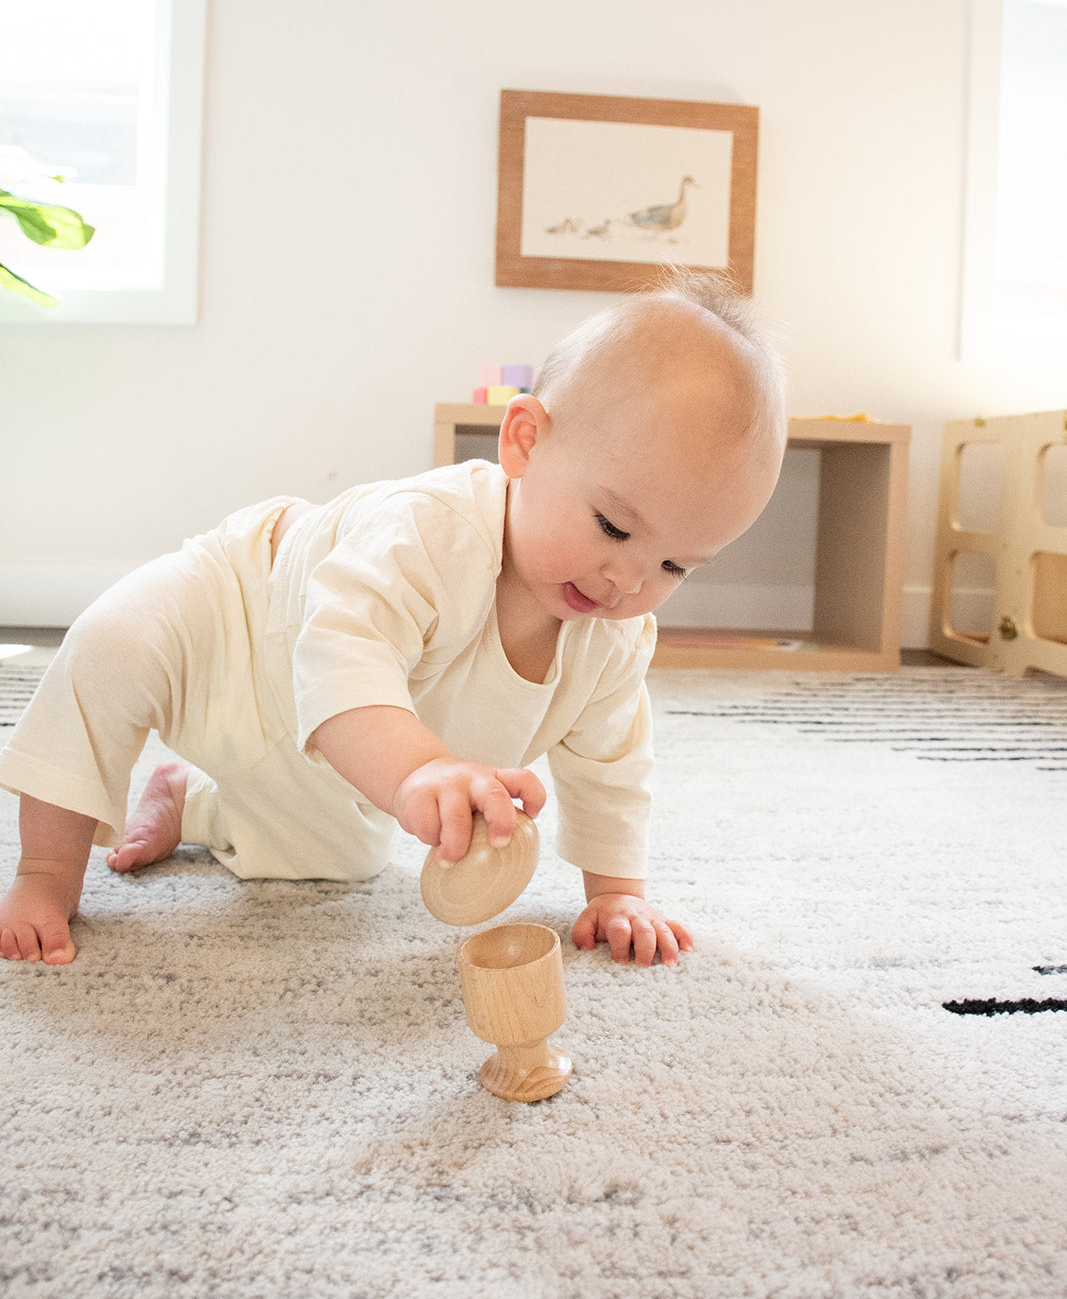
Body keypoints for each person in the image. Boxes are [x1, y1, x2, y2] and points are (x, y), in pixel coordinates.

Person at [0, 273, 787, 970]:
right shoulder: (430, 532)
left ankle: (193, 802)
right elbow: (344, 655)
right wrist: (416, 771)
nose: (627, 581)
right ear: (524, 442)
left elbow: (612, 766)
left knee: (341, 856)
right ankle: (45, 872)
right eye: (613, 527)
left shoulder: (612, 639)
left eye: (675, 565)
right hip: (239, 614)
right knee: (112, 646)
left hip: (343, 738)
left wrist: (616, 892)